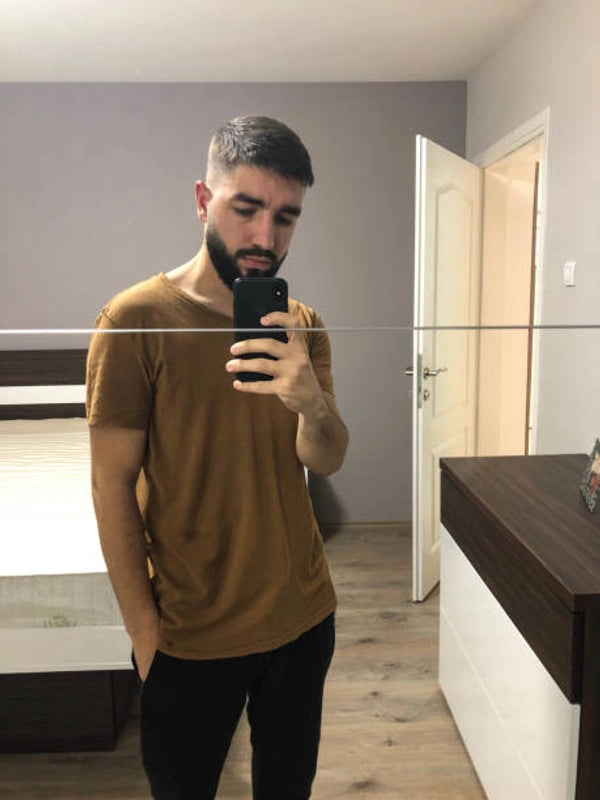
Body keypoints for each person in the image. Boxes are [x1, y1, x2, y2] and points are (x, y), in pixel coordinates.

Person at [86, 115, 349, 800]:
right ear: (203, 201)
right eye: (247, 209)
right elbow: (111, 486)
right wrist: (145, 635)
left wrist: (311, 404)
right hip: (188, 637)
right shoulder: (134, 321)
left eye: (286, 217)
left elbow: (326, 459)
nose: (266, 237)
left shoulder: (302, 325)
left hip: (302, 619)